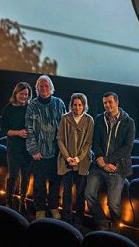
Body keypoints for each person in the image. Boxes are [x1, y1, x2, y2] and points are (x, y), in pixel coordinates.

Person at [85, 91, 135, 231]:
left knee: (113, 204)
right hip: (98, 165)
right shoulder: (99, 119)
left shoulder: (128, 122)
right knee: (89, 194)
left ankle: (116, 225)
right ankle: (102, 223)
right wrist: (101, 161)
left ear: (117, 102)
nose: (107, 105)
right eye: (105, 103)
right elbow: (95, 142)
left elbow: (127, 147)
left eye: (110, 102)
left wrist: (106, 161)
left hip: (117, 167)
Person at [25, 75, 67, 219]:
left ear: (51, 87)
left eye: (46, 86)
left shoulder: (59, 103)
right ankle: (40, 209)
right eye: (41, 86)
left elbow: (64, 128)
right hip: (39, 154)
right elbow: (29, 129)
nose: (44, 88)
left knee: (55, 183)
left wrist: (64, 151)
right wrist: (34, 150)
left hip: (56, 153)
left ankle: (54, 207)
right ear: (37, 89)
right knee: (39, 185)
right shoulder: (32, 105)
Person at [56, 92, 94, 224]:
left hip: (82, 162)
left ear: (84, 106)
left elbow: (88, 143)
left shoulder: (89, 120)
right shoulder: (65, 118)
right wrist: (68, 158)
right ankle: (66, 217)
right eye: (74, 105)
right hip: (66, 162)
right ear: (71, 106)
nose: (77, 108)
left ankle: (79, 218)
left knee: (80, 192)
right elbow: (59, 139)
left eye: (80, 105)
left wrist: (78, 159)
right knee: (67, 191)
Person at [0, 81, 33, 211]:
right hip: (13, 148)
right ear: (16, 93)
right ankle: (8, 200)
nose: (24, 96)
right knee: (13, 176)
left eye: (26, 94)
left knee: (25, 176)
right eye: (21, 94)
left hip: (27, 148)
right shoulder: (8, 108)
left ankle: (23, 199)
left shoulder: (30, 108)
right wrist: (18, 133)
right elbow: (3, 130)